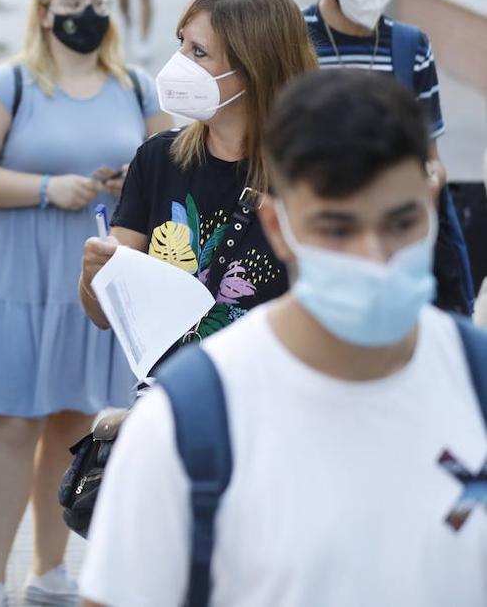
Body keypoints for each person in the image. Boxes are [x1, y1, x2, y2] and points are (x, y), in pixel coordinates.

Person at [79, 70, 487, 606]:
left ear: (433, 198)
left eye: (400, 222)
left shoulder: (474, 383)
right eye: (336, 229)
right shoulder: (189, 423)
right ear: (277, 226)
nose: (374, 258)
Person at [0, 0, 168, 607]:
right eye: (75, 0)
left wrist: (132, 185)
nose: (90, 11)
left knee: (71, 423)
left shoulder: (136, 87)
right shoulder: (8, 83)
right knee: (13, 422)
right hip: (18, 274)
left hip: (93, 280)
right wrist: (48, 189)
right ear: (44, 12)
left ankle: (49, 571)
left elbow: (166, 172)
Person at [79, 0, 318, 340]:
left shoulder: (313, 175)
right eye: (182, 44)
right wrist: (92, 276)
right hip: (173, 387)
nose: (179, 64)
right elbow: (105, 317)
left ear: (253, 69)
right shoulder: (158, 158)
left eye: (199, 52)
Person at [303, 0, 472, 315]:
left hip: (395, 259)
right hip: (315, 258)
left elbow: (431, 156)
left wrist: (425, 182)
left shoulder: (410, 48)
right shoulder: (291, 43)